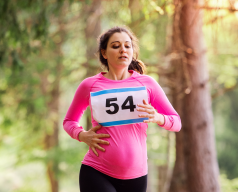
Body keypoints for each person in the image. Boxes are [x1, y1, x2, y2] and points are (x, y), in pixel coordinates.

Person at [63, 26, 182, 192]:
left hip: (137, 176)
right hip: (97, 171)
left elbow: (176, 122)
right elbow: (69, 121)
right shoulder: (90, 85)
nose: (123, 50)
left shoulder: (147, 84)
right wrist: (82, 135)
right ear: (104, 53)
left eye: (127, 46)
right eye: (115, 46)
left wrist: (157, 117)